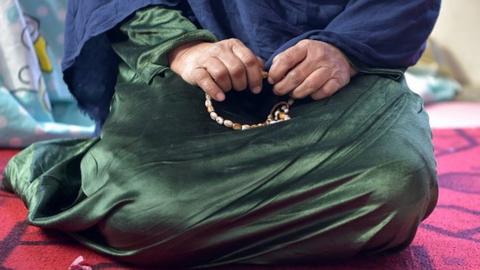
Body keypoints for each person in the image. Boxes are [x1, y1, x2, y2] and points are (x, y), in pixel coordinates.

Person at [2, 0, 440, 268]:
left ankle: (204, 219)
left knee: (396, 187)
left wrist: (344, 48)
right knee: (147, 218)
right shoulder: (182, 50)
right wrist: (182, 46)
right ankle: (74, 167)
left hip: (339, 78)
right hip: (185, 65)